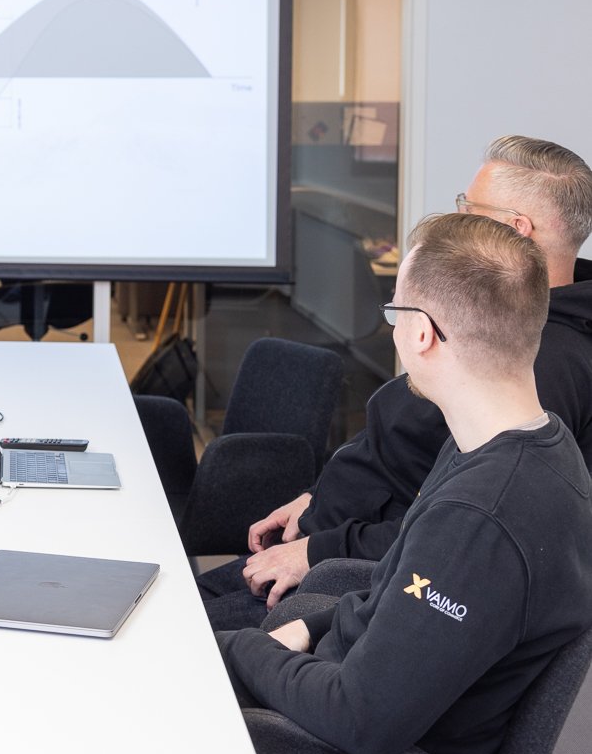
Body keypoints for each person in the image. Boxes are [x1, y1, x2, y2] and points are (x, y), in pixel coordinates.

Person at [220, 212, 592, 754]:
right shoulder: (522, 444)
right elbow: (399, 601)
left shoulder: (478, 520)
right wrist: (305, 630)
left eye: (394, 311)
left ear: (421, 332)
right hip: (357, 687)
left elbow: (360, 721)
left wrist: (237, 648)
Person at [203, 134, 592, 628]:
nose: (459, 218)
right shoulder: (504, 325)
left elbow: (455, 525)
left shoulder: (532, 362)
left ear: (517, 230)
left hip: (342, 578)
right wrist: (316, 500)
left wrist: (317, 552)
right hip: (327, 535)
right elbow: (406, 457)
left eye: (469, 208)